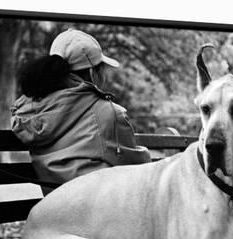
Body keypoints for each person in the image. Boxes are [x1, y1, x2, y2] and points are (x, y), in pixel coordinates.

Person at [10, 29, 151, 187]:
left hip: (52, 206)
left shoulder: (30, 113)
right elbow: (137, 167)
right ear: (92, 73)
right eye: (102, 68)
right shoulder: (109, 113)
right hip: (95, 206)